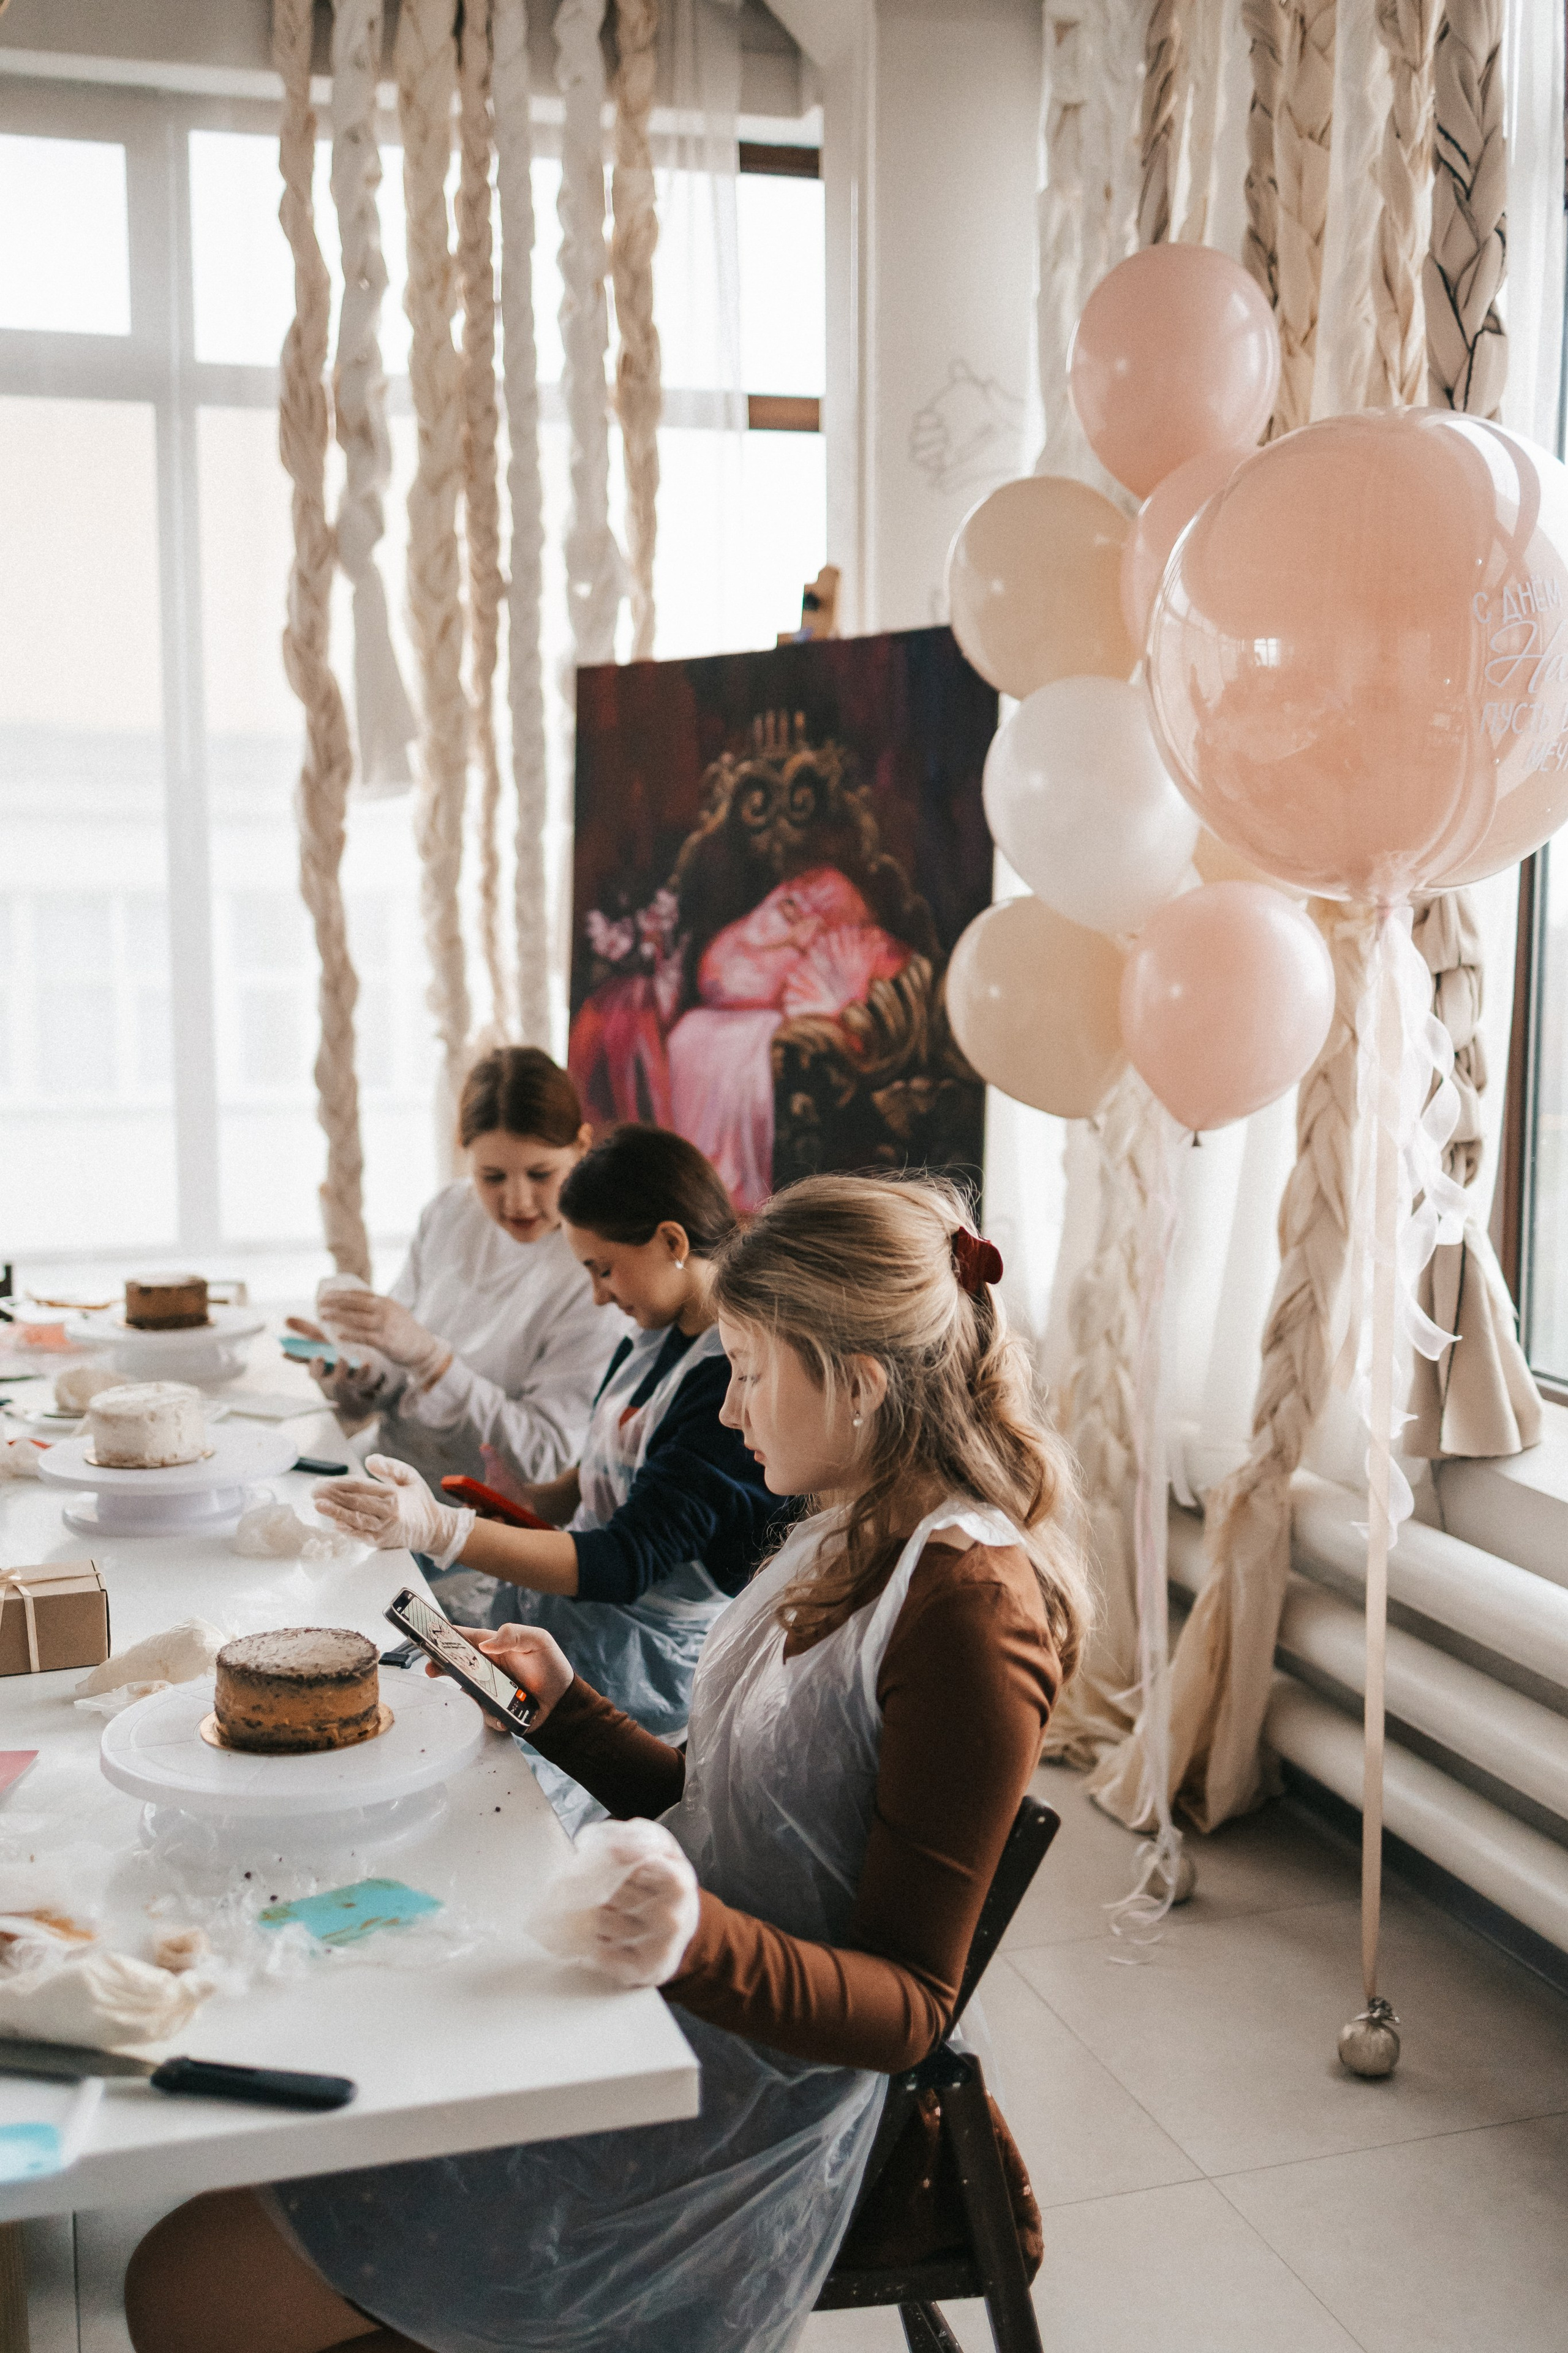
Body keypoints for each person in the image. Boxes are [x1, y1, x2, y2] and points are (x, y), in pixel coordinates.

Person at [126, 1171, 1089, 2353]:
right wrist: (568, 1711)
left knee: (181, 2287)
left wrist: (694, 1938)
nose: (730, 1414)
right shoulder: (848, 1516)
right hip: (669, 1999)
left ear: (864, 1383)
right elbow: (747, 1803)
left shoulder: (969, 1611)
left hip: (734, 2099)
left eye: (747, 1368)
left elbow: (907, 2011)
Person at [311, 1125, 791, 1792]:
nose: (597, 1294)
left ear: (672, 1242)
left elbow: (626, 1560)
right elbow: (624, 1463)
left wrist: (442, 1530)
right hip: (579, 1625)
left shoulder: (727, 1381)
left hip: (641, 1668)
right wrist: (543, 1498)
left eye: (602, 1268)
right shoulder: (653, 1332)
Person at [288, 1048, 617, 1496]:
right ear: (465, 1157)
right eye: (492, 1176)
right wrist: (360, 1371)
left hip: (480, 1518)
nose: (517, 1201)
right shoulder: (450, 1212)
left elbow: (542, 1455)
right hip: (386, 1469)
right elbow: (396, 1373)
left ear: (581, 1146)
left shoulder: (597, 1269)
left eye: (541, 1174)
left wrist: (433, 1361)